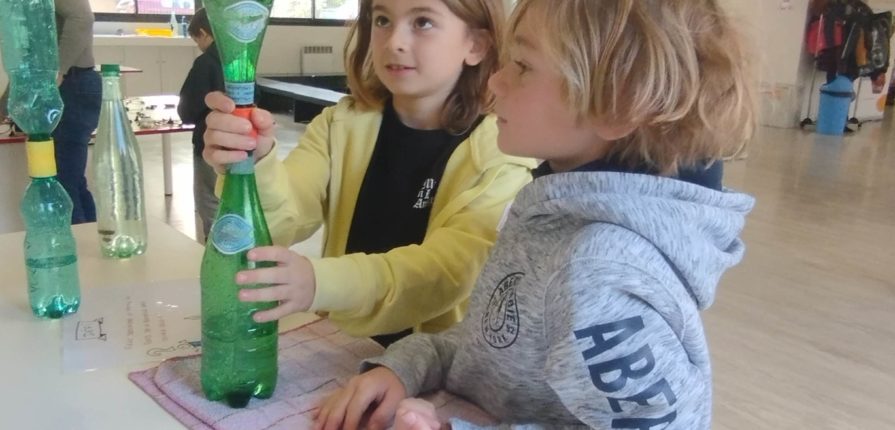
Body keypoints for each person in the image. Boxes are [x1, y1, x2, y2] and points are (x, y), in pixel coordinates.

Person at [314, 0, 758, 429]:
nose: (495, 83)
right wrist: (402, 369)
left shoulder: (598, 269)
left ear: (618, 105)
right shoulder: (555, 208)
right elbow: (488, 350)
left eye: (522, 67)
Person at [202, 0, 535, 346]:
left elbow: (445, 273)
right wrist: (255, 165)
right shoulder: (339, 126)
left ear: (476, 45)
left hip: (433, 372)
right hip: (343, 347)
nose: (394, 42)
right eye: (382, 20)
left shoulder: (502, 157)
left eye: (422, 22)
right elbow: (284, 216)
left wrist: (319, 283)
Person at [0, 0, 101, 224]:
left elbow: (82, 19)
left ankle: (76, 250)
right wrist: (6, 104)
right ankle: (90, 243)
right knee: (71, 180)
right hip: (66, 85)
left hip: (72, 86)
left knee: (63, 181)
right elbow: (27, 58)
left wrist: (58, 69)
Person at [177, 7, 223, 240]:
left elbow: (187, 109)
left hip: (210, 143)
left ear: (204, 33)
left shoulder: (205, 63)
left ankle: (218, 255)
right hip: (242, 143)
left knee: (210, 202)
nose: (199, 46)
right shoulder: (240, 60)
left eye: (197, 40)